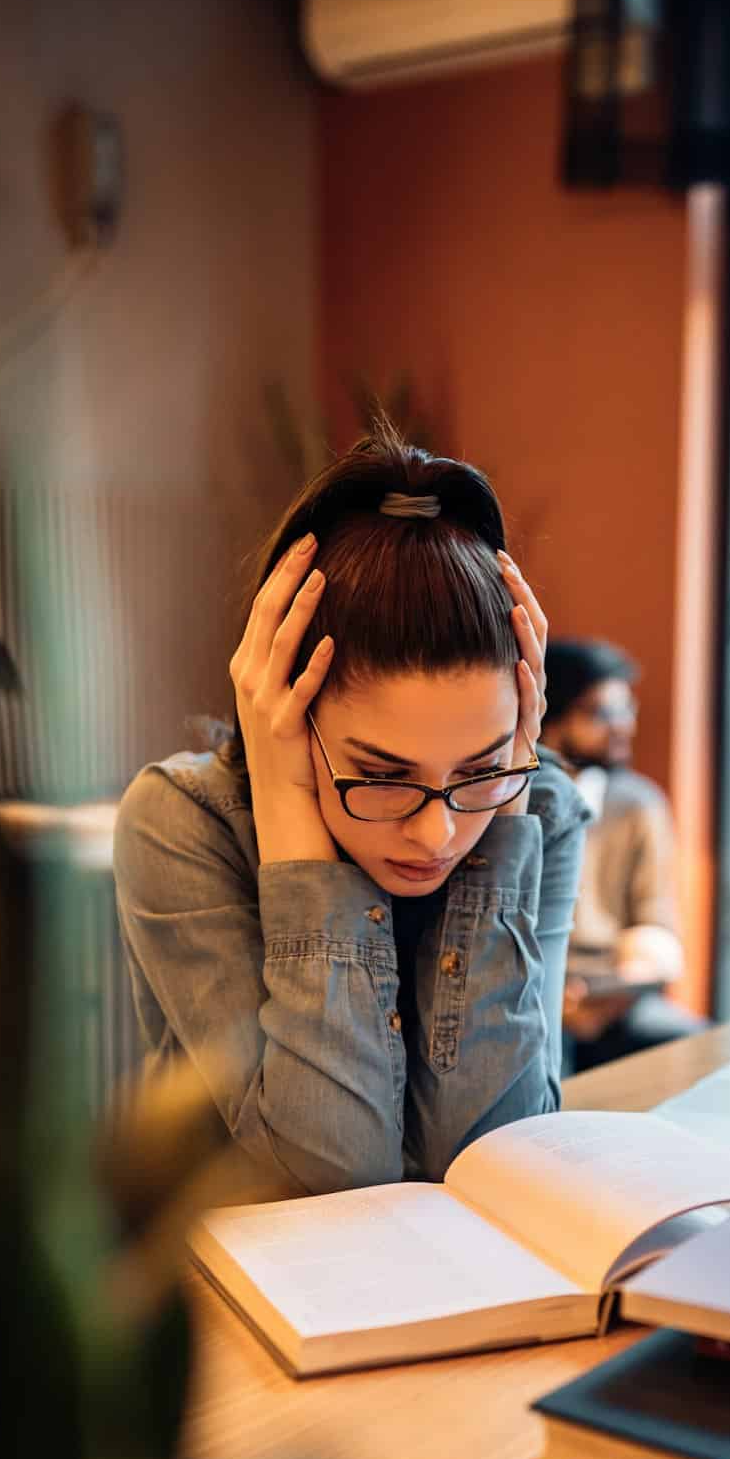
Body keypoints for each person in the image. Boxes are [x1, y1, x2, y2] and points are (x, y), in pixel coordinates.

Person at [113, 426, 589, 1196]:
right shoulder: (179, 823)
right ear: (291, 720)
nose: (437, 833)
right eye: (381, 775)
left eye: (478, 766)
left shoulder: (537, 809)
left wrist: (502, 814)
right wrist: (291, 810)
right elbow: (329, 1171)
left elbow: (502, 1155)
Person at [539, 637, 703, 1071]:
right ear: (550, 718)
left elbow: (655, 920)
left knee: (695, 1046)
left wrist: (617, 988)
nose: (624, 726)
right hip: (531, 990)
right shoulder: (510, 801)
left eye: (626, 709)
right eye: (601, 713)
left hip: (611, 992)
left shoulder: (639, 803)